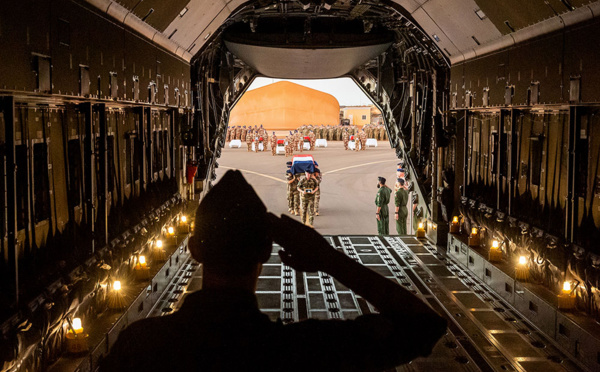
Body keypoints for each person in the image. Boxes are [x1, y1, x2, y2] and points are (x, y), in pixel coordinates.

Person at [101, 170, 446, 371]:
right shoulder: (303, 350)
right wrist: (327, 258)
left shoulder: (141, 346)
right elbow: (424, 326)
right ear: (268, 250)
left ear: (194, 250)